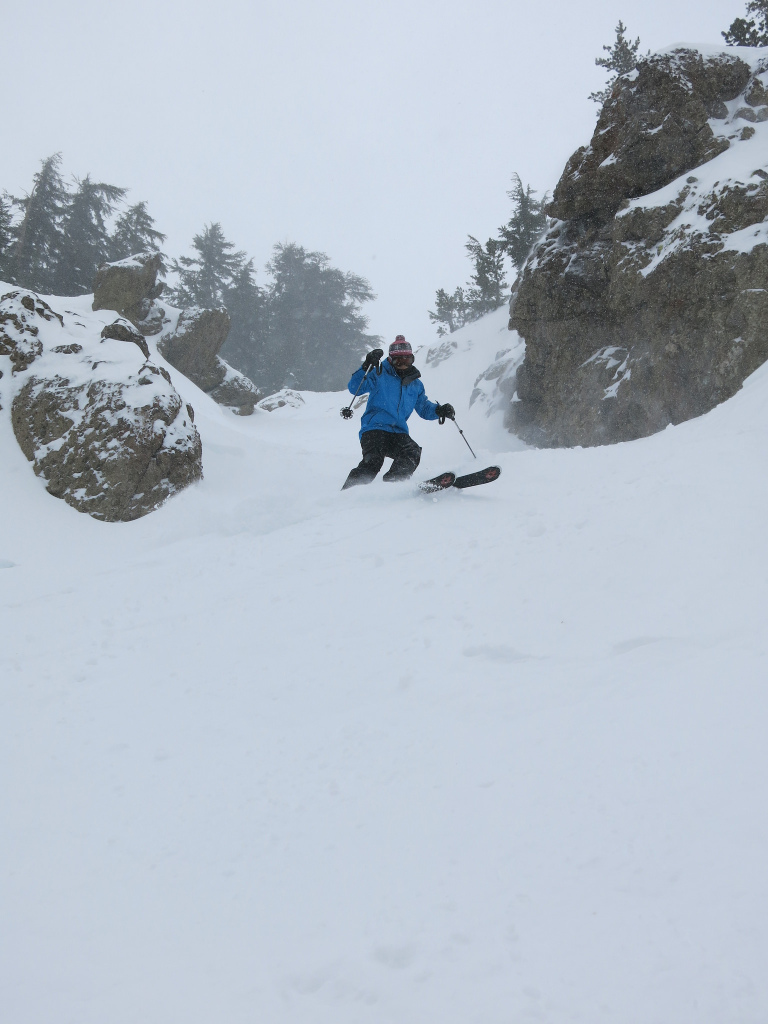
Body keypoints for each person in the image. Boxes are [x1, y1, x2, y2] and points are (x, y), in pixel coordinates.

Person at [342, 335, 455, 489]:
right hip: (375, 428)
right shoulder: (379, 373)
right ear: (390, 360)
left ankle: (394, 485)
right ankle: (349, 492)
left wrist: (439, 410)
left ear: (412, 359)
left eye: (407, 361)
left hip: (398, 432)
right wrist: (366, 366)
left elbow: (423, 408)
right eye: (398, 361)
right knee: (374, 461)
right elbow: (355, 388)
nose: (402, 365)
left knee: (412, 452)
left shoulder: (415, 384)